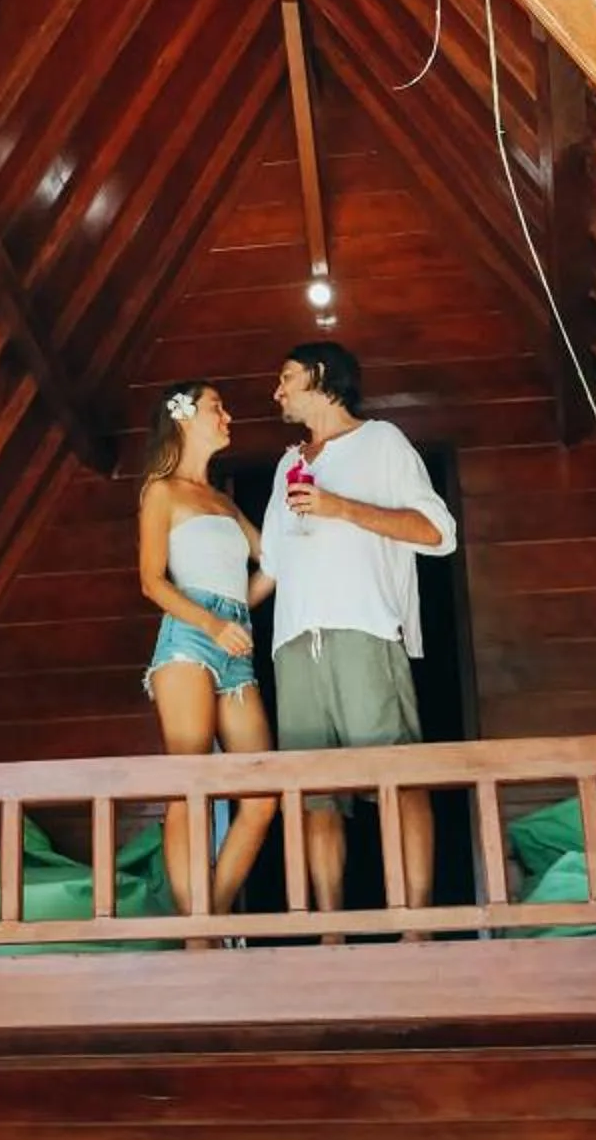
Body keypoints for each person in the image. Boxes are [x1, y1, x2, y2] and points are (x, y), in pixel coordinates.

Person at [262, 341, 457, 917]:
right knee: (314, 795)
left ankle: (415, 929)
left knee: (396, 778)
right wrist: (208, 618)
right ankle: (328, 935)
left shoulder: (383, 442)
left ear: (321, 377)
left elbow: (438, 533)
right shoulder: (284, 464)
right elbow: (271, 567)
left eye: (286, 377)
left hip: (364, 629)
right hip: (293, 644)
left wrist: (340, 507)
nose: (277, 392)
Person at [137, 380, 278, 916]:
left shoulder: (222, 499)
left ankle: (207, 921)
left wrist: (240, 610)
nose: (227, 416)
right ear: (184, 416)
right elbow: (152, 581)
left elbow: (272, 562)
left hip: (233, 643)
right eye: (217, 407)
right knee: (190, 782)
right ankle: (200, 934)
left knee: (261, 797)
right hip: (190, 638)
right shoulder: (161, 490)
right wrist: (215, 624)